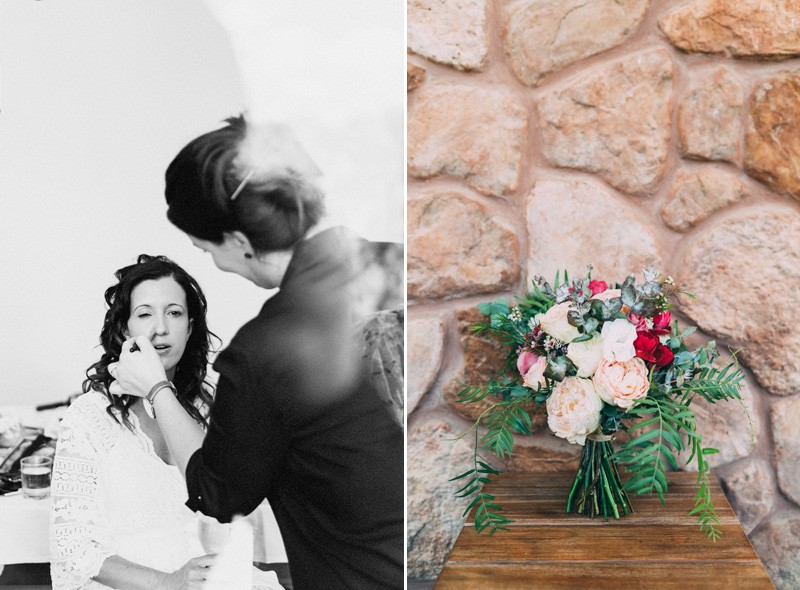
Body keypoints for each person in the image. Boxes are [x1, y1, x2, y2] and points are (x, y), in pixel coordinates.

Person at [108, 116, 404, 589]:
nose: (216, 264)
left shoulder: (264, 351)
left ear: (241, 243)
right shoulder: (398, 263)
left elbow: (217, 495)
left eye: (207, 251)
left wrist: (158, 389)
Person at [49, 255, 282, 590]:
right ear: (125, 328)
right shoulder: (88, 417)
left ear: (189, 326)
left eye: (174, 313)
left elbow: (230, 510)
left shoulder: (210, 408)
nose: (160, 328)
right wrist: (168, 582)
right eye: (145, 314)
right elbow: (72, 547)